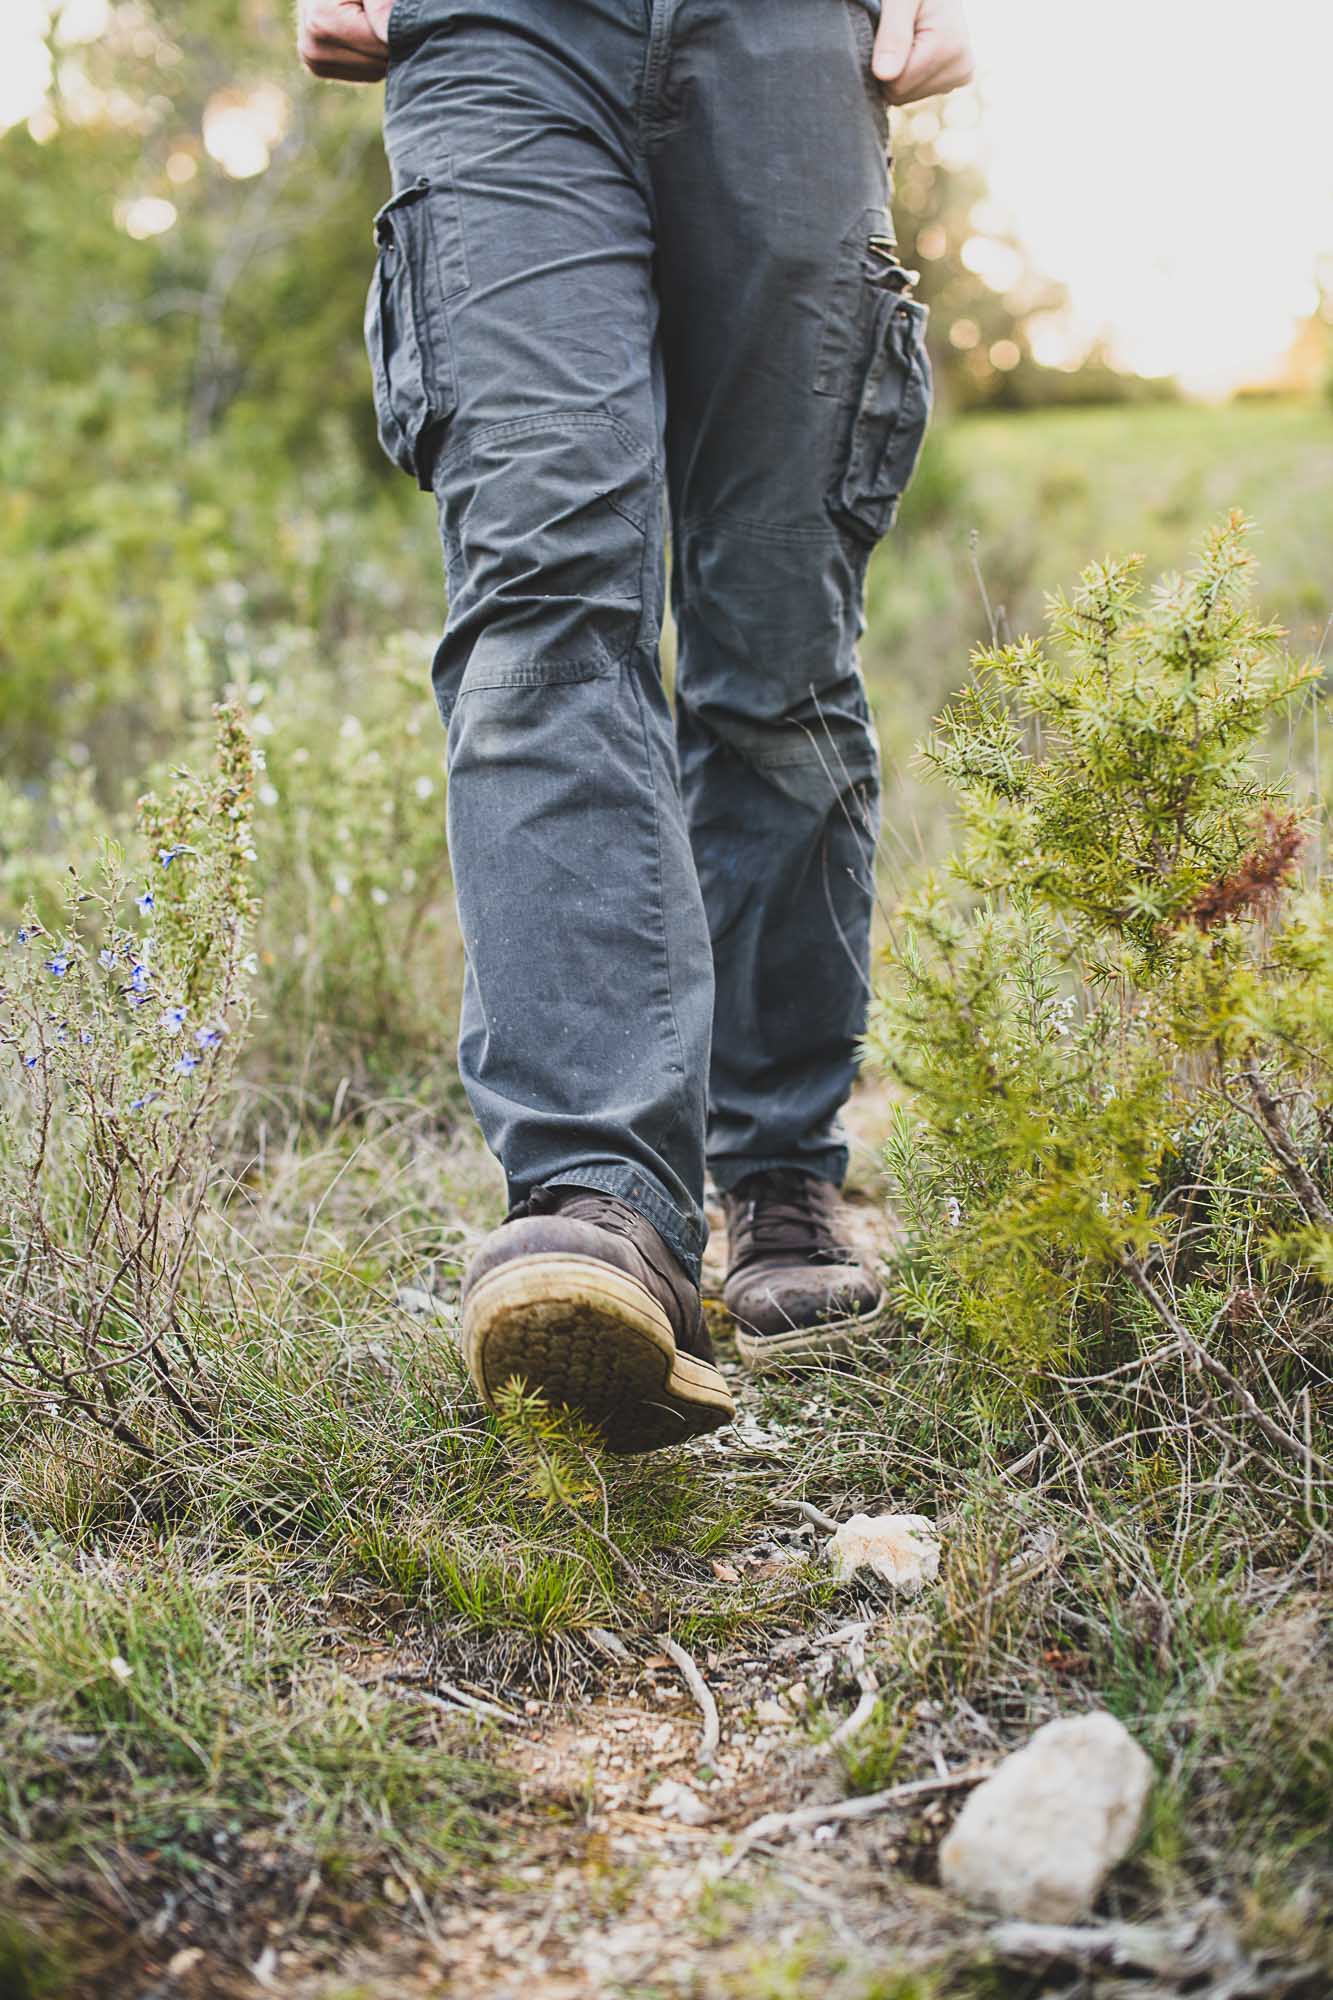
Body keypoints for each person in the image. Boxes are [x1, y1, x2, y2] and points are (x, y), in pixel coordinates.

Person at [298, 0, 973, 1452]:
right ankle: (599, 1202)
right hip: (499, 34)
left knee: (774, 649)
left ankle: (779, 1166)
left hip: (791, 34)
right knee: (544, 602)